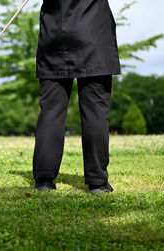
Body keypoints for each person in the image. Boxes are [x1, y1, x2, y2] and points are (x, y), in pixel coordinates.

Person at [33, 0, 121, 193]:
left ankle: (44, 180)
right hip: (94, 34)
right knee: (95, 111)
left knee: (51, 111)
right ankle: (97, 182)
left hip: (54, 36)